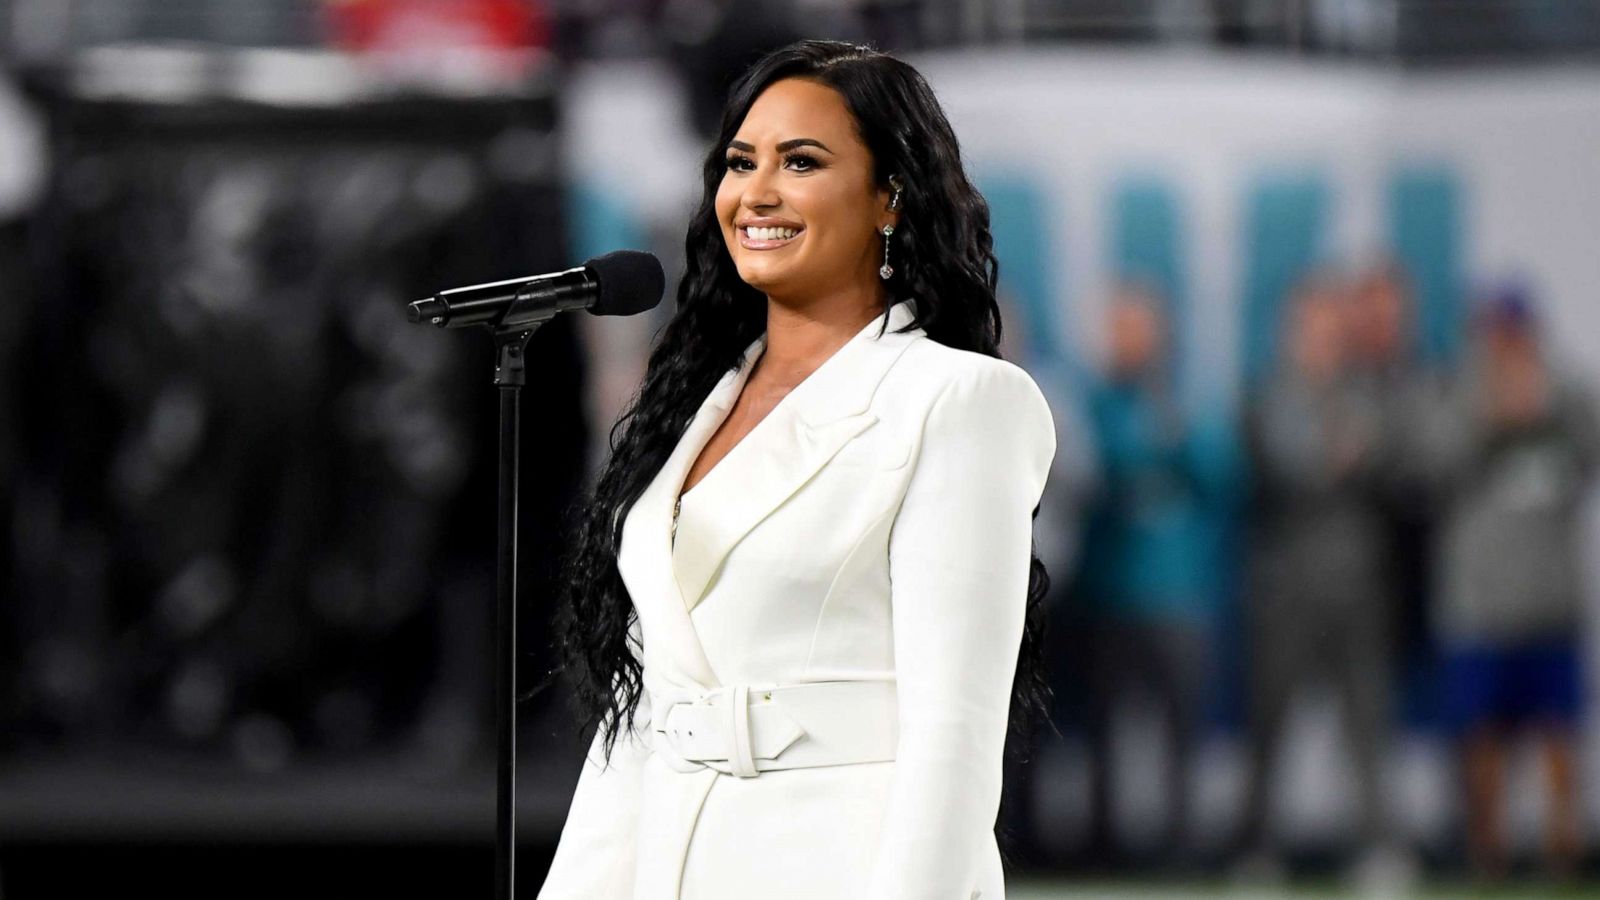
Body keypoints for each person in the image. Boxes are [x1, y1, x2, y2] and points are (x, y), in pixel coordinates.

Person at [537, 41, 1057, 899]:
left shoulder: (956, 401)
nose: (757, 192)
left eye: (801, 161)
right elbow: (642, 727)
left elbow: (953, 742)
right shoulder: (687, 410)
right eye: (741, 162)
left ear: (890, 198)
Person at [1423, 287, 1596, 881]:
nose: (1505, 347)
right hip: (1480, 606)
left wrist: (1546, 402)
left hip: (1551, 606)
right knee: (1481, 736)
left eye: (1514, 333)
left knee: (1560, 735)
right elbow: (1429, 465)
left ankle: (1563, 852)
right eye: (1494, 334)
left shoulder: (1566, 396)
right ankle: (1487, 854)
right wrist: (1489, 414)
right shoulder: (1455, 395)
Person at [1236, 271, 1404, 880]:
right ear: (1292, 330)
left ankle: (1378, 846)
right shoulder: (1270, 392)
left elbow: (1386, 453)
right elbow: (1293, 464)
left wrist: (1340, 452)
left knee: (1366, 722)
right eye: (1311, 326)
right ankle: (1257, 848)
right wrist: (1338, 453)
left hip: (1357, 586)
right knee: (1271, 723)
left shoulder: (1366, 389)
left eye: (1331, 327)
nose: (1322, 339)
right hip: (1286, 589)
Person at [1075, 283, 1226, 867]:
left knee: (1181, 729)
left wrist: (1177, 439)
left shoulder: (1187, 400)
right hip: (1113, 593)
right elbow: (1092, 477)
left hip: (1178, 595)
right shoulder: (1096, 402)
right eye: (1119, 329)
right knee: (1105, 728)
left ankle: (1183, 844)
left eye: (1138, 327)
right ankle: (1105, 842)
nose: (1128, 340)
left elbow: (1219, 478)